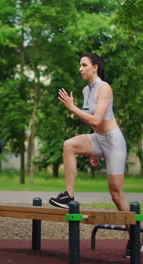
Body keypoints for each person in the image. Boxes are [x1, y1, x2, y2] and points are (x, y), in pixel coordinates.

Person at [49, 53, 137, 257]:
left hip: (114, 142)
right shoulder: (85, 90)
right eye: (79, 65)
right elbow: (92, 123)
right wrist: (92, 149)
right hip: (99, 139)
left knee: (115, 194)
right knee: (69, 145)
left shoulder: (104, 88)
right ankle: (68, 195)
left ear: (95, 67)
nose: (80, 68)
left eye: (84, 65)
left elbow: (97, 120)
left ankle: (135, 239)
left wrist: (72, 108)